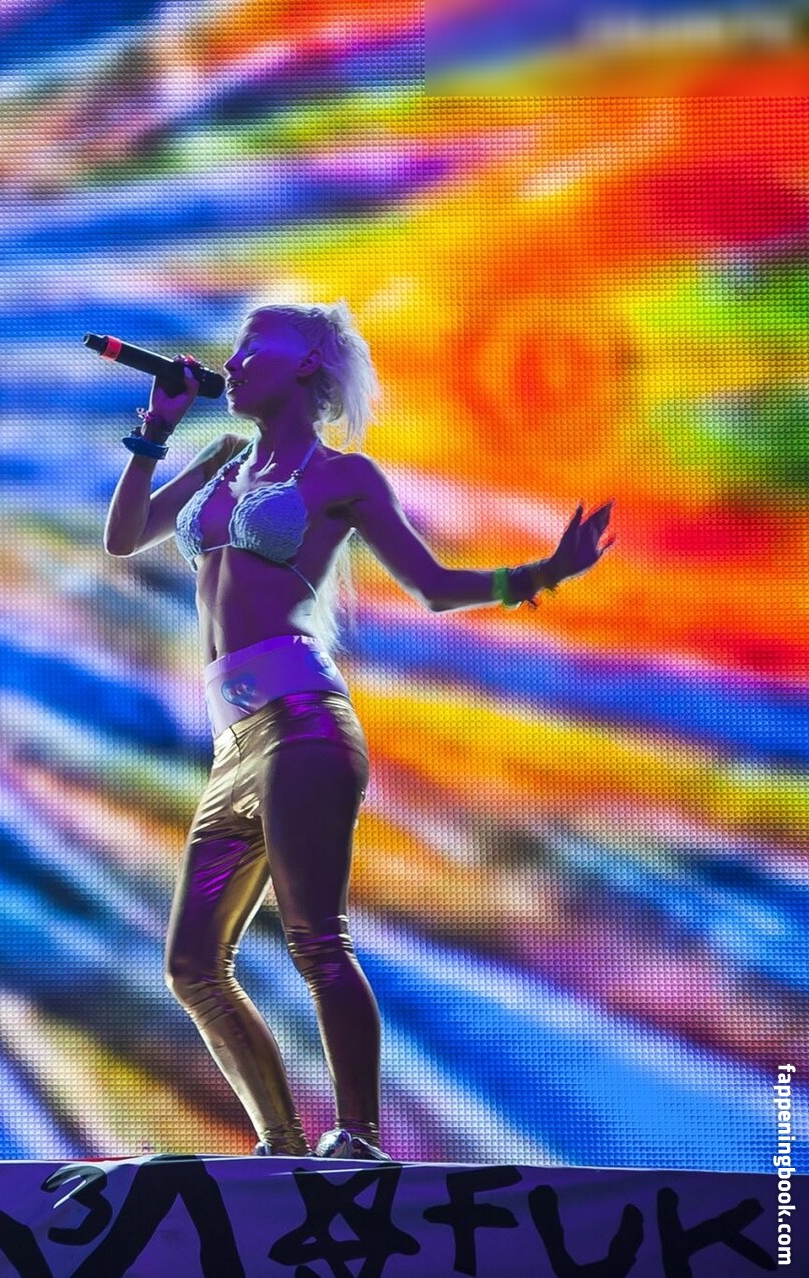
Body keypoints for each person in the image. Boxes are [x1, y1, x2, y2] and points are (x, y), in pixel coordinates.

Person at [102, 302, 612, 1159]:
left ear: (306, 365)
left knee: (316, 940)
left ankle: (360, 1138)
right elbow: (125, 537)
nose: (234, 362)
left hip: (302, 723)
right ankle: (284, 1147)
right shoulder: (221, 461)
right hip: (234, 744)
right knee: (193, 966)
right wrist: (156, 430)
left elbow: (434, 585)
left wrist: (543, 573)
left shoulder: (343, 477)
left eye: (253, 347)